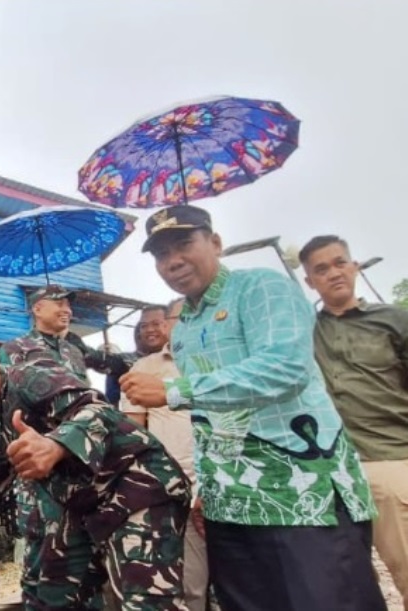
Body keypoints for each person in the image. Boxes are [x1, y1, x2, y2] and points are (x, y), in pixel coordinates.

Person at [121, 206, 384, 611]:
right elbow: (217, 415)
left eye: (184, 244)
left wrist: (175, 390)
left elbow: (285, 368)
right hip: (233, 504)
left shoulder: (262, 287)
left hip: (301, 495)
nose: (172, 261)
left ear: (216, 242)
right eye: (160, 254)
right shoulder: (186, 326)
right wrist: (209, 488)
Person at [0, 341, 191, 610]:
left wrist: (57, 445)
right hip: (89, 506)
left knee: (147, 602)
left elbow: (96, 408)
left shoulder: (30, 376)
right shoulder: (0, 423)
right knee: (56, 592)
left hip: (139, 487)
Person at [301, 234, 408, 608]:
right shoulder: (302, 333)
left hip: (390, 458)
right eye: (321, 269)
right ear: (309, 281)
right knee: (349, 583)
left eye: (340, 262)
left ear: (355, 266)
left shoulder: (394, 320)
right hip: (328, 473)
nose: (333, 273)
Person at [120, 300, 209, 611]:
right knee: (190, 585)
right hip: (174, 491)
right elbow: (133, 435)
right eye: (179, 316)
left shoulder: (222, 359)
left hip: (228, 486)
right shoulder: (144, 369)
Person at [0, 285, 134, 400]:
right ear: (38, 309)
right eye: (59, 304)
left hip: (83, 424)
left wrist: (144, 361)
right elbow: (10, 397)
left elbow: (110, 362)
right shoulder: (16, 348)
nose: (67, 311)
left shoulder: (74, 346)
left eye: (68, 306)